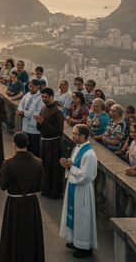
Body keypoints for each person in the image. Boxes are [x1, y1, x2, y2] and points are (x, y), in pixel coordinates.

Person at [0, 132, 45, 262]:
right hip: (31, 203)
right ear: (27, 143)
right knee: (30, 234)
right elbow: (40, 187)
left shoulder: (9, 163)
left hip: (14, 204)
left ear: (14, 145)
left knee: (13, 234)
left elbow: (2, 184)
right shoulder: (38, 163)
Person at [59, 124, 98, 258]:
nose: (73, 136)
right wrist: (68, 164)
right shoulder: (77, 147)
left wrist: (71, 167)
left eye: (75, 134)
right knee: (75, 215)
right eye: (73, 133)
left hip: (83, 190)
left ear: (83, 136)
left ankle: (85, 247)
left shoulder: (89, 154)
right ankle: (76, 241)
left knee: (82, 217)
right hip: (74, 186)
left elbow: (86, 176)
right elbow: (74, 165)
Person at [34, 87, 65, 197]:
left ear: (52, 97)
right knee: (45, 166)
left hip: (53, 143)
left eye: (46, 97)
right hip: (44, 142)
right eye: (42, 97)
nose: (44, 99)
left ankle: (54, 191)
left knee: (53, 167)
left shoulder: (57, 112)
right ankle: (45, 189)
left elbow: (59, 131)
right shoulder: (44, 108)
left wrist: (43, 122)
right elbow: (40, 126)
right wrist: (39, 122)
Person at [17, 80, 43, 157]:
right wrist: (21, 111)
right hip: (25, 126)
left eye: (34, 87)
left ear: (38, 87)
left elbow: (38, 112)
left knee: (34, 149)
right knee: (26, 148)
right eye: (30, 86)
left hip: (34, 128)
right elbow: (20, 105)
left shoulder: (40, 98)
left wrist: (25, 113)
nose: (32, 88)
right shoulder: (26, 95)